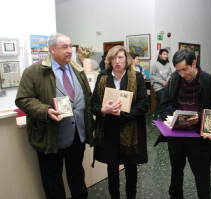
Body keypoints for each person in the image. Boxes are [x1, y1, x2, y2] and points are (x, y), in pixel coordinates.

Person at [15, 33, 93, 199]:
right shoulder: (34, 72)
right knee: (52, 180)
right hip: (51, 137)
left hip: (77, 136)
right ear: (52, 50)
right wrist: (45, 110)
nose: (69, 51)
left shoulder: (77, 69)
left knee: (77, 174)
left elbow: (86, 97)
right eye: (64, 47)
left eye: (70, 46)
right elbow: (23, 99)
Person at [161, 49, 211, 199]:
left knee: (202, 175)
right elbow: (166, 102)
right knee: (176, 172)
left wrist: (200, 117)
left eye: (185, 69)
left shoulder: (210, 81)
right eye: (178, 70)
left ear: (194, 63)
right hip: (177, 135)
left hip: (199, 138)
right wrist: (171, 116)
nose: (182, 74)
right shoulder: (175, 78)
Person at [91, 45, 148, 199]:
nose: (117, 61)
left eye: (121, 57)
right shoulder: (102, 77)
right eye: (114, 58)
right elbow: (93, 104)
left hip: (130, 131)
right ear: (109, 60)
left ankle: (131, 196)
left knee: (131, 168)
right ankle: (114, 196)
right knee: (112, 167)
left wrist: (123, 113)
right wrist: (103, 110)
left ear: (126, 59)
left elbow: (143, 105)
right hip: (109, 130)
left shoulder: (136, 78)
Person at [150, 48, 174, 119]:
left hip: (166, 86)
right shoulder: (155, 65)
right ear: (160, 55)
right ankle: (163, 118)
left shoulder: (168, 65)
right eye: (164, 54)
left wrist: (167, 80)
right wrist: (161, 82)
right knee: (163, 101)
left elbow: (170, 74)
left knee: (160, 102)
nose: (166, 56)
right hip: (158, 87)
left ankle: (155, 116)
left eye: (166, 54)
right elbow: (151, 76)